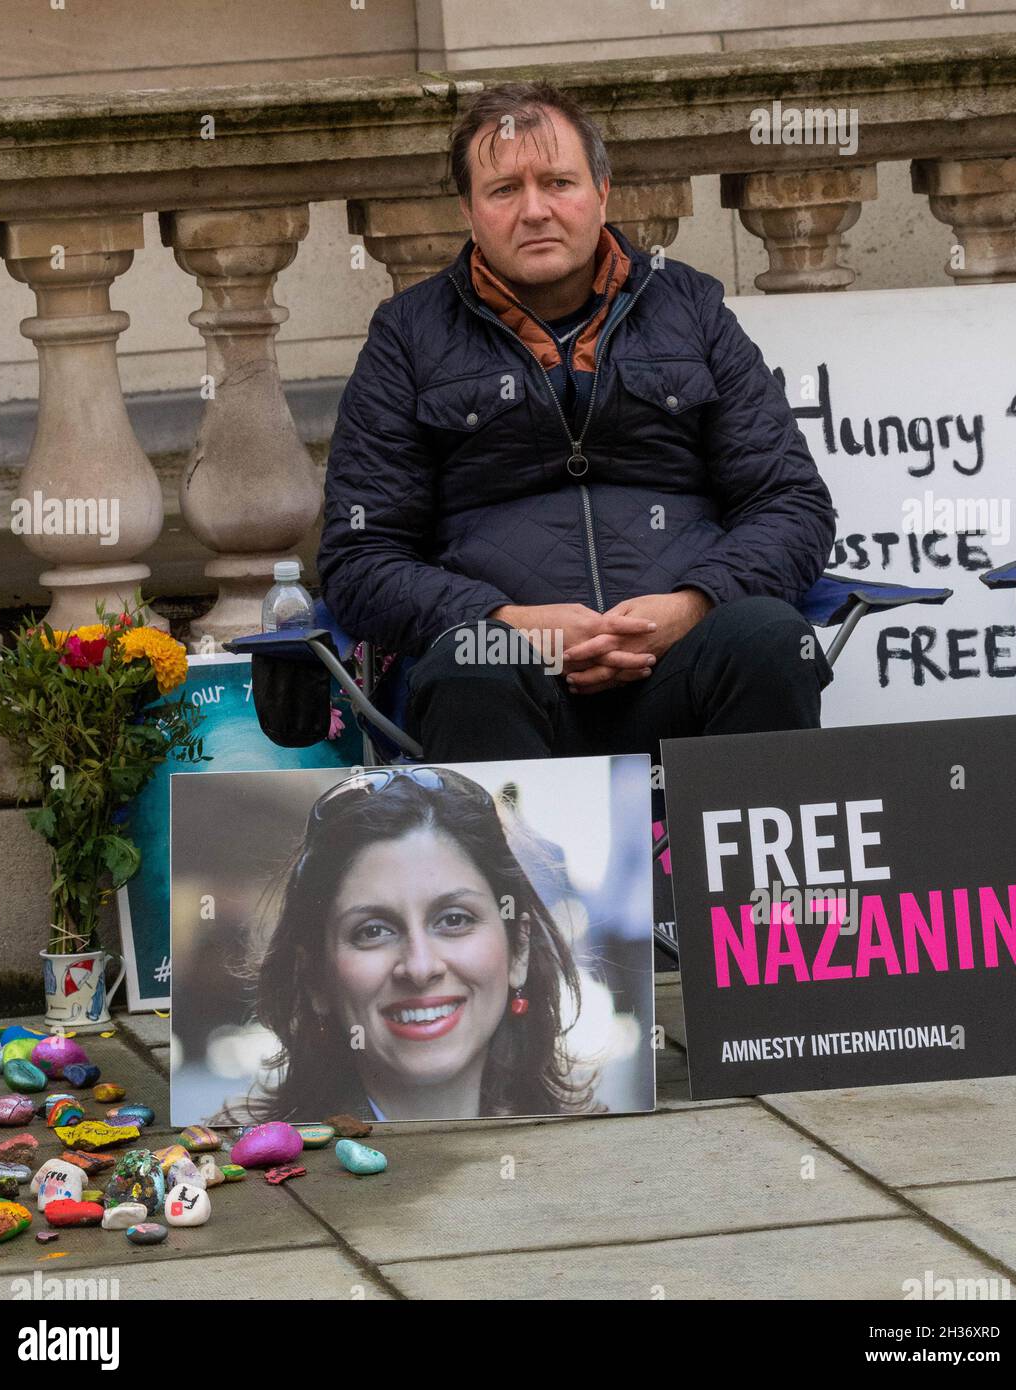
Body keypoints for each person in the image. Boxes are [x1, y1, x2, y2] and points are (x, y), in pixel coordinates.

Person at [318, 80, 836, 764]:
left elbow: (791, 502)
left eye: (558, 182)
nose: (535, 210)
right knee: (470, 663)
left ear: (602, 192)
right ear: (470, 210)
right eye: (504, 190)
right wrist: (508, 624)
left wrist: (693, 605)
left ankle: (754, 875)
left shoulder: (689, 307)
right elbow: (359, 556)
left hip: (683, 664)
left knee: (770, 636)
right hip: (506, 681)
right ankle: (504, 874)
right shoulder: (408, 336)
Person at [217, 766, 606, 1124]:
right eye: (373, 931)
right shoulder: (240, 1160)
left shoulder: (592, 1147)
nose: (420, 968)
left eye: (454, 919)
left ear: (518, 949)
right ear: (316, 976)